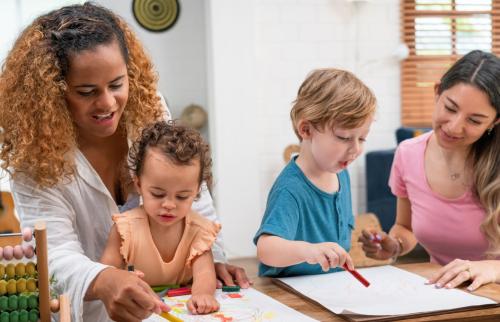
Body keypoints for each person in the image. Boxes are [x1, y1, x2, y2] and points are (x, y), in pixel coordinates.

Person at [0, 3, 248, 322]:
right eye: (87, 91)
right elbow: (53, 253)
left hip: (174, 304)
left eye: (117, 84)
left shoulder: (148, 108)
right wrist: (102, 280)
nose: (107, 103)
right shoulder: (33, 152)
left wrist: (212, 256)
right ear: (52, 93)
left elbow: (187, 190)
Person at [359, 50, 500, 292]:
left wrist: (492, 269)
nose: (455, 127)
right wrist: (395, 244)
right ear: (437, 92)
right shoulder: (408, 154)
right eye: (450, 107)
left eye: (475, 120)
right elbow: (406, 227)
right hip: (443, 296)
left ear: (494, 122)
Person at [254, 68, 377, 276]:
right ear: (306, 130)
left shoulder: (340, 172)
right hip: (289, 294)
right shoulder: (291, 189)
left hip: (329, 288)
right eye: (344, 137)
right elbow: (266, 249)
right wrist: (308, 250)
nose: (356, 149)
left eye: (362, 139)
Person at [101, 120, 220, 314]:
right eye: (157, 194)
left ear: (197, 191)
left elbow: (205, 273)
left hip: (182, 312)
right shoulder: (125, 228)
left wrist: (203, 295)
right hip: (137, 311)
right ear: (138, 184)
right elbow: (106, 269)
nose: (169, 205)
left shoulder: (199, 231)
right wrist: (120, 278)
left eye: (182, 196)